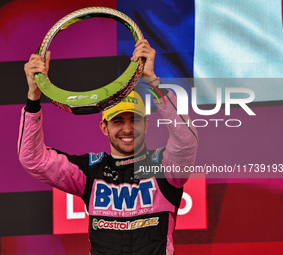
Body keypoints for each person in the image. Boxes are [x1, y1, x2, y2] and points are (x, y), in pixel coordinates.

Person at [18, 39, 198, 255]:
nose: (128, 129)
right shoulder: (89, 171)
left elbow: (186, 141)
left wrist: (152, 82)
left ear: (146, 124)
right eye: (118, 121)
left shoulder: (165, 167)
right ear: (104, 127)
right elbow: (33, 159)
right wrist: (34, 97)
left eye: (135, 120)